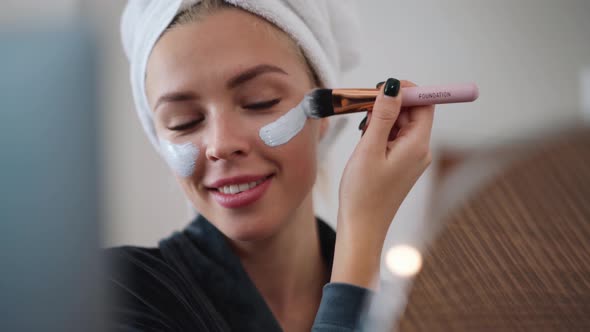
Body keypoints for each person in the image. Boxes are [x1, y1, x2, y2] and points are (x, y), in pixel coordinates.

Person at [107, 0, 434, 331]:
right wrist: (362, 234)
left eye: (260, 101)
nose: (221, 145)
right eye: (184, 122)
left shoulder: (417, 310)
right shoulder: (113, 295)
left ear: (324, 117)